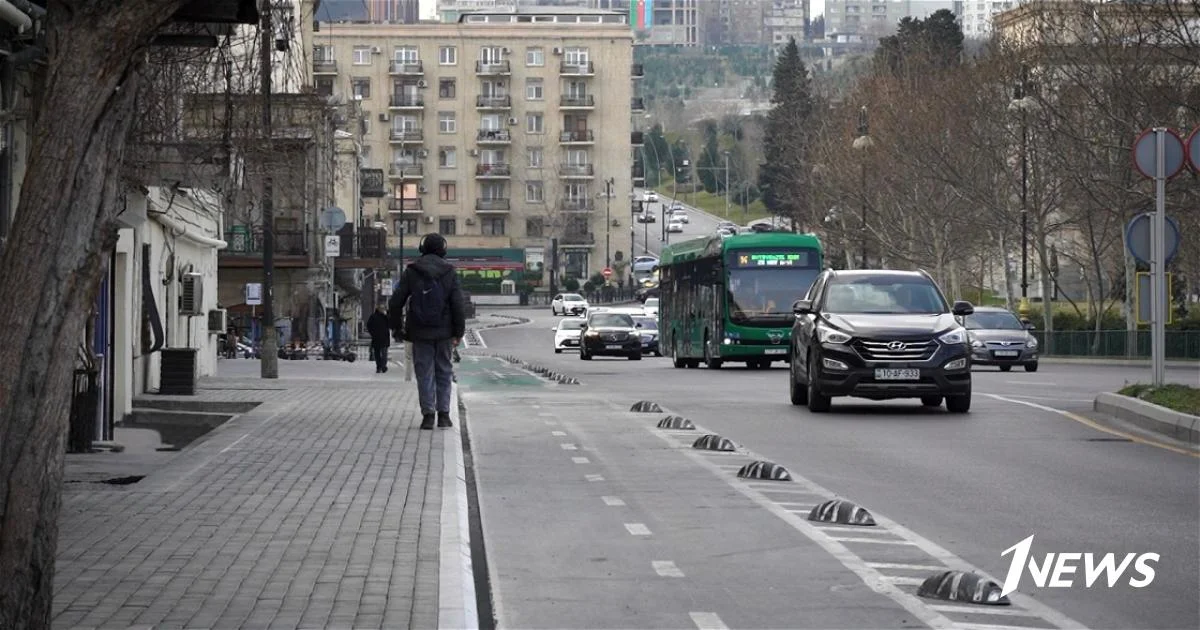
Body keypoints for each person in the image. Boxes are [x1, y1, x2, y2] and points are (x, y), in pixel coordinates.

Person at [388, 233, 466, 430]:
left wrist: (396, 328)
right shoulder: (450, 272)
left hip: (419, 331)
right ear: (443, 250)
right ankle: (445, 415)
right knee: (444, 371)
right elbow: (458, 303)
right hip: (444, 332)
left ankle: (428, 416)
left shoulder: (412, 271)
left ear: (422, 249)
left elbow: (396, 301)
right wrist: (459, 331)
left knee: (424, 373)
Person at [366, 304, 391, 373]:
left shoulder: (385, 317)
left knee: (384, 353)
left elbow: (390, 324)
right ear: (378, 309)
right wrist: (372, 333)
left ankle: (383, 366)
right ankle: (379, 366)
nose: (382, 310)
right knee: (377, 353)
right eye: (381, 308)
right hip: (376, 337)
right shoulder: (373, 316)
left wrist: (387, 315)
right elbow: (369, 325)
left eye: (383, 308)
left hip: (384, 338)